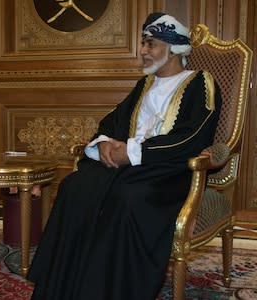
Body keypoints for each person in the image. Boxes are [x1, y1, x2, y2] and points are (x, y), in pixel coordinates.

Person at [27, 12, 222, 300]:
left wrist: (133, 154)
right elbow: (113, 121)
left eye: (151, 44)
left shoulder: (199, 82)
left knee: (127, 196)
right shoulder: (144, 85)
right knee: (75, 187)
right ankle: (64, 286)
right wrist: (104, 143)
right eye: (144, 43)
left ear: (173, 49)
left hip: (168, 172)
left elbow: (194, 136)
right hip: (128, 166)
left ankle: (113, 290)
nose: (143, 51)